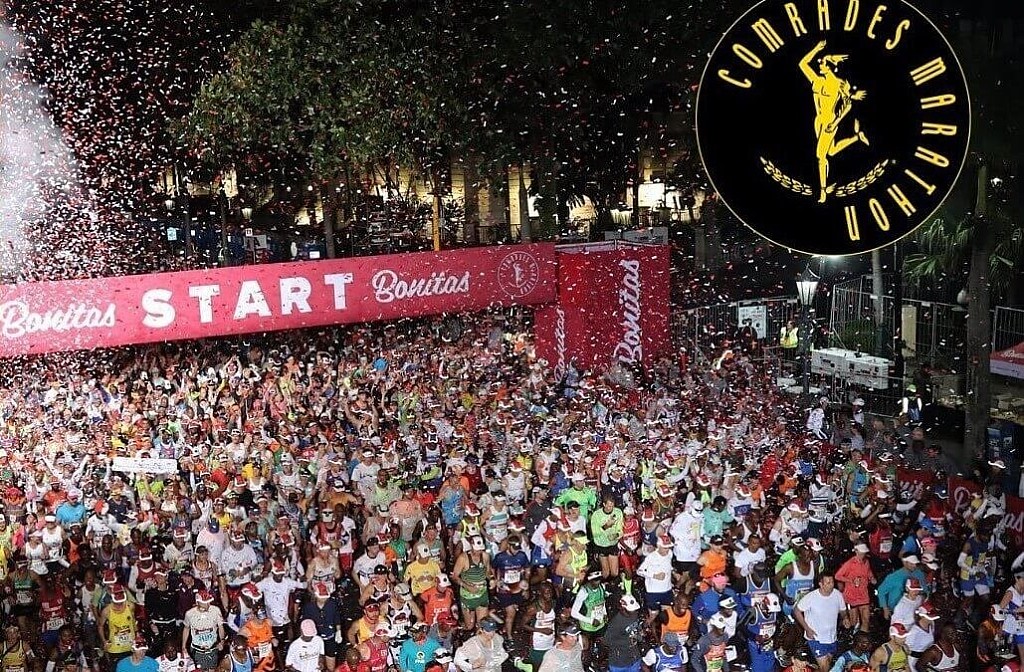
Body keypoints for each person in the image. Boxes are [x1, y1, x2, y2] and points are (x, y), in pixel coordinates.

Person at [795, 573, 849, 672]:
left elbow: (842, 610)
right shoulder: (811, 597)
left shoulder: (837, 595)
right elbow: (796, 611)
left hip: (831, 638)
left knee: (825, 666)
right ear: (821, 584)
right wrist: (807, 629)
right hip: (816, 638)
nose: (831, 585)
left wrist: (845, 617)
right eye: (828, 583)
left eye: (832, 582)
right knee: (825, 667)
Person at [604, 593, 644, 672]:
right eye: (631, 610)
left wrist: (640, 634)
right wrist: (627, 641)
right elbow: (606, 641)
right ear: (623, 608)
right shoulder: (615, 623)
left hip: (635, 658)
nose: (634, 612)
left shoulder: (634, 614)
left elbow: (637, 628)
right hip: (619, 662)